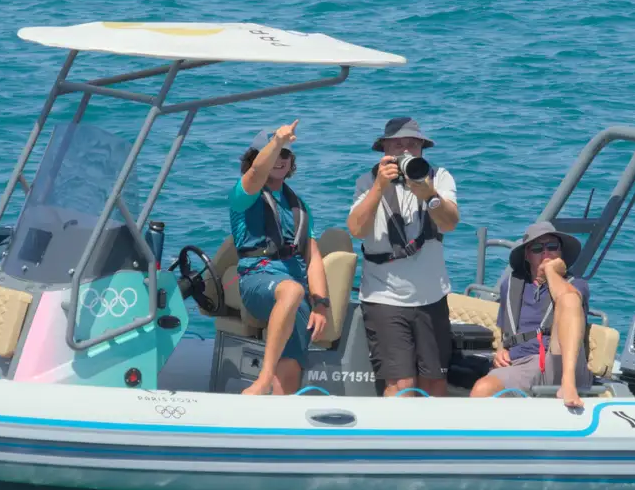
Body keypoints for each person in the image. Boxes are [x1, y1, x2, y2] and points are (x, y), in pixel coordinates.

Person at [346, 117, 460, 398]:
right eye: (398, 145)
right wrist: (378, 188)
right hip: (385, 297)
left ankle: (433, 441)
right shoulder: (367, 181)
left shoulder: (439, 177)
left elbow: (449, 223)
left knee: (435, 385)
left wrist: (429, 194)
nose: (405, 151)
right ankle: (393, 440)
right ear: (384, 148)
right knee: (401, 387)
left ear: (422, 147)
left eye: (412, 144)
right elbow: (357, 229)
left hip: (432, 297)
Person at [229, 122, 332, 395]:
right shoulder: (245, 192)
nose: (279, 160)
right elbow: (255, 172)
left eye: (285, 155)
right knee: (292, 291)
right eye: (273, 154)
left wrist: (321, 303)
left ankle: (276, 415)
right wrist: (276, 142)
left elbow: (313, 257)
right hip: (258, 279)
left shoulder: (299, 204)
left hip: (295, 289)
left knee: (292, 362)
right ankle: (262, 380)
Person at [470, 221, 589, 408]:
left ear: (560, 252)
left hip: (560, 359)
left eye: (552, 247)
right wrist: (502, 348)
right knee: (482, 389)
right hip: (523, 363)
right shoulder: (511, 285)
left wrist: (550, 271)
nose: (546, 253)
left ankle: (568, 385)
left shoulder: (576, 284)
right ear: (527, 255)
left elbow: (566, 297)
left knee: (569, 299)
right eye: (537, 248)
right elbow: (506, 330)